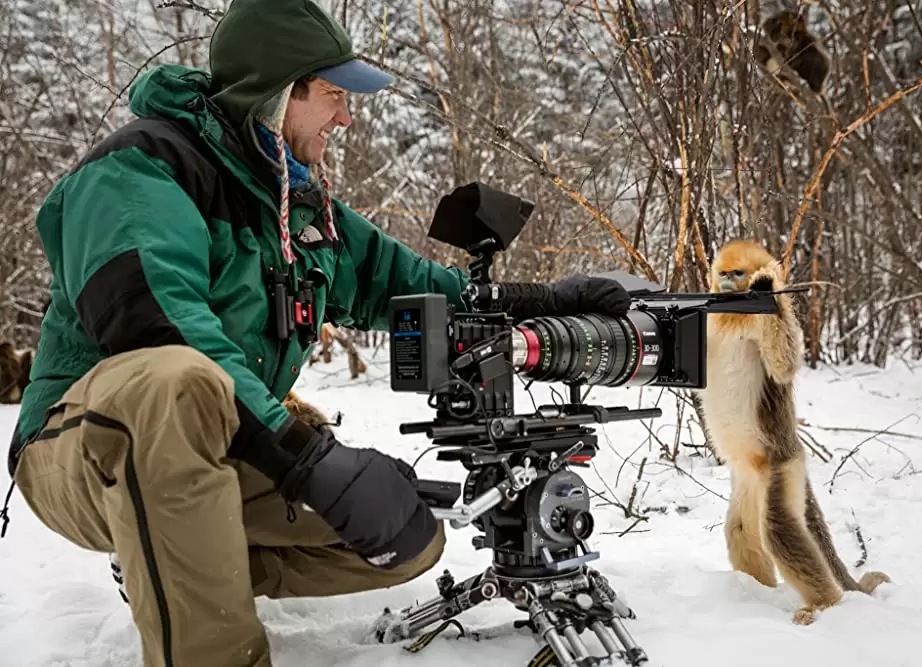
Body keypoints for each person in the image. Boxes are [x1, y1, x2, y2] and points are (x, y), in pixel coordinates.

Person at [1, 0, 631, 665]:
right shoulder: (137, 173)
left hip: (219, 442)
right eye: (333, 96)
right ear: (277, 92)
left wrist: (538, 304)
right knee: (176, 381)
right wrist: (307, 458)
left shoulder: (295, 201)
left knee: (407, 535)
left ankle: (170, 557)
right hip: (84, 446)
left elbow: (406, 283)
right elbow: (158, 332)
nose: (346, 116)